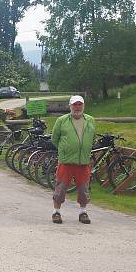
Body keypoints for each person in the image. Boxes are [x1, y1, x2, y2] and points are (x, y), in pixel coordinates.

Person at [50, 95, 96, 224]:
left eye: (79, 104)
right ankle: (56, 212)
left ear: (83, 106)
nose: (77, 107)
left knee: (83, 189)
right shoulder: (62, 120)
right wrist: (64, 149)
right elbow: (55, 138)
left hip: (83, 161)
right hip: (66, 161)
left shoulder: (91, 120)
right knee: (61, 188)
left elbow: (92, 137)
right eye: (74, 105)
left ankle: (83, 212)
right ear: (70, 106)